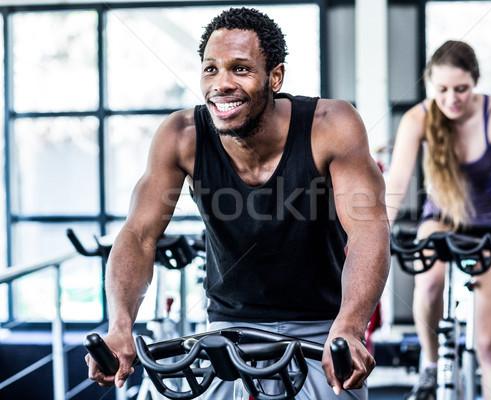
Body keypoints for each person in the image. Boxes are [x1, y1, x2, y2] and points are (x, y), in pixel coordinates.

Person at [84, 7, 390, 400]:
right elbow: (140, 236)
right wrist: (120, 324)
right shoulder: (182, 135)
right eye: (211, 69)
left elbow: (368, 229)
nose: (221, 83)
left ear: (274, 77)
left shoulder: (330, 124)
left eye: (240, 69)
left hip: (321, 328)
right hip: (225, 330)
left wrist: (350, 325)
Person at [386, 40, 491, 399]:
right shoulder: (417, 118)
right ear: (429, 86)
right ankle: (431, 364)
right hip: (443, 218)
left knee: (488, 348)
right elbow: (396, 184)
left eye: (461, 89)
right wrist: (373, 235)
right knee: (430, 282)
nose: (452, 98)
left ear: (476, 83)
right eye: (442, 90)